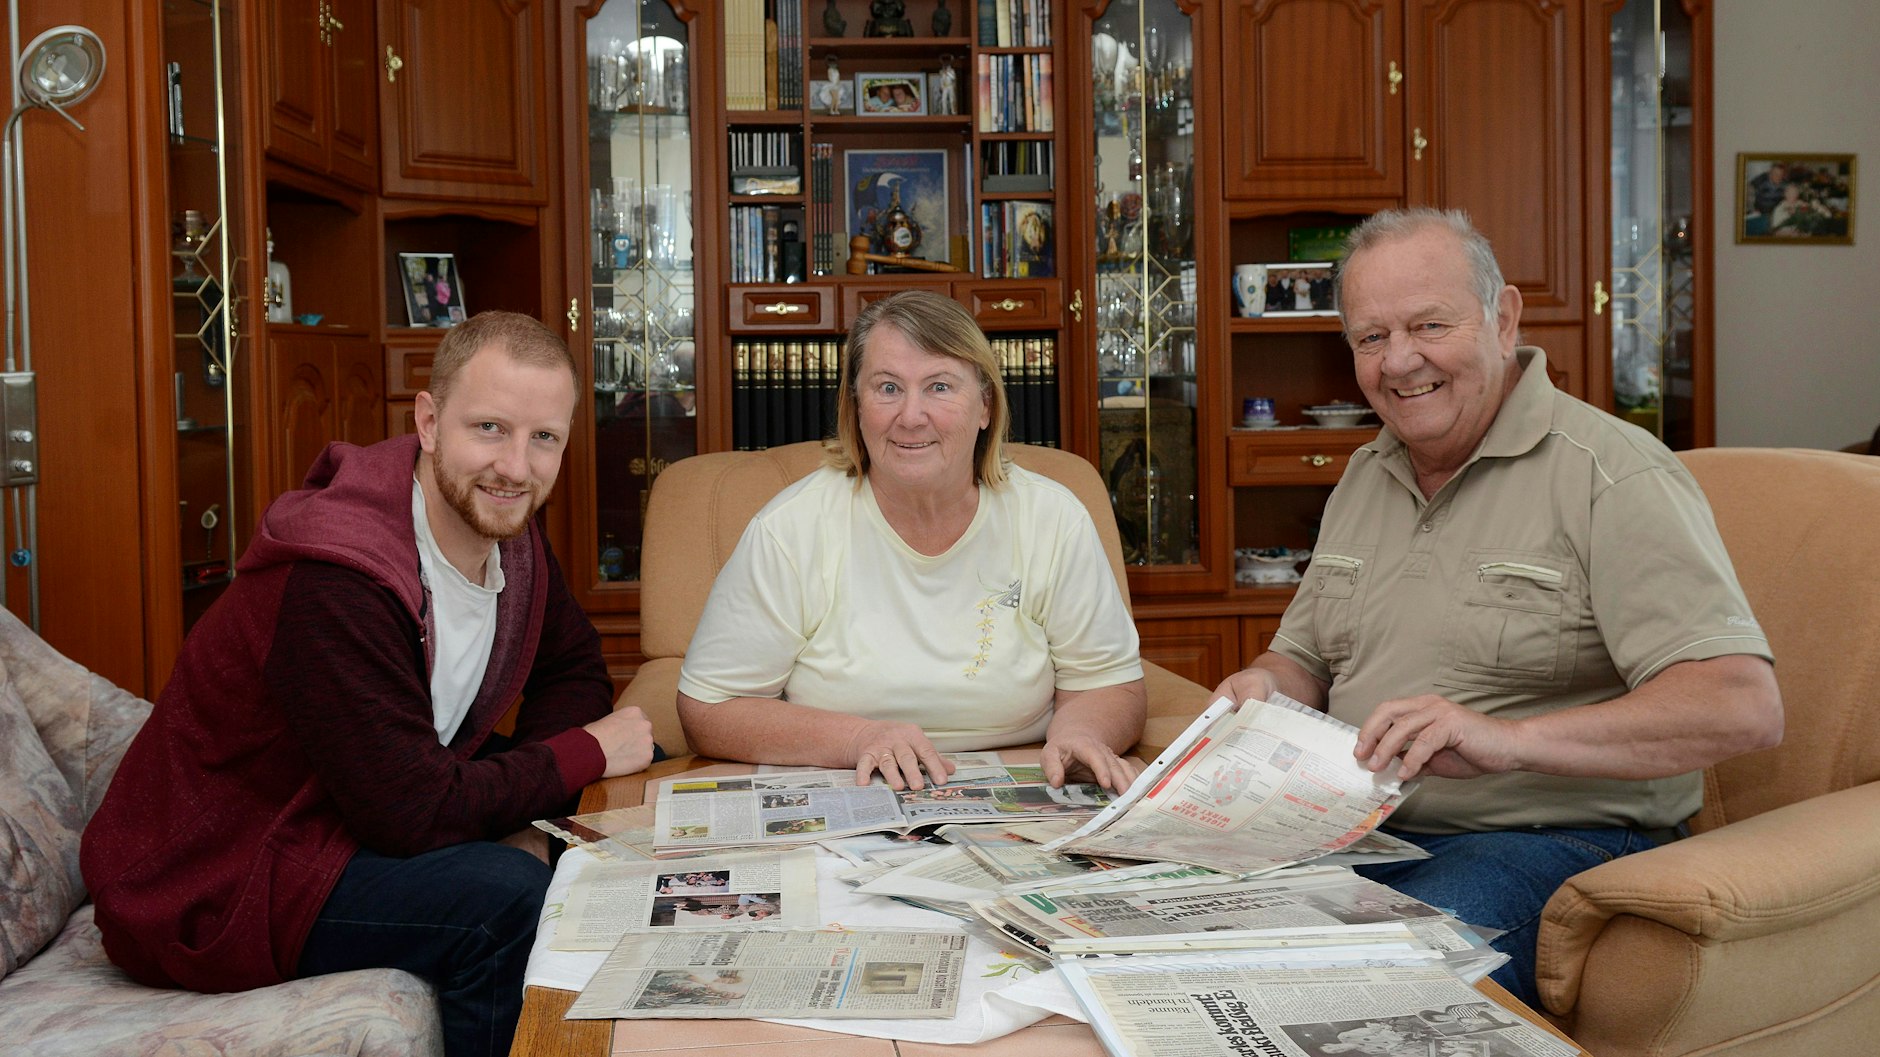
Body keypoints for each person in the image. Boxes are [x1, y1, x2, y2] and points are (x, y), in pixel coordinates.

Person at [1212, 208, 1782, 1007]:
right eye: (1371, 338)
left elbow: (1742, 705)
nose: (1400, 360)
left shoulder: (1612, 473)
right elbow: (1304, 656)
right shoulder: (1364, 476)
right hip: (1362, 832)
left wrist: (1507, 740)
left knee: (1370, 987)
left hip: (1551, 840)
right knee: (1190, 944)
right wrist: (1261, 688)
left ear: (1504, 317)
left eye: (1429, 325)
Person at [81, 311, 659, 1057]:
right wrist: (578, 755)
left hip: (349, 813)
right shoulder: (339, 574)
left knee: (594, 842)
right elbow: (414, 814)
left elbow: (573, 665)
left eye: (543, 437)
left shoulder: (503, 527)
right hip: (223, 874)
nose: (515, 466)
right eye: (489, 428)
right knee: (505, 899)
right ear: (427, 419)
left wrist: (529, 800)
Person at [678, 290, 1146, 794]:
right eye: (887, 388)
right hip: (843, 783)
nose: (911, 415)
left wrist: (1080, 733)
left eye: (940, 386)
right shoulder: (792, 526)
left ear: (986, 405)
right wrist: (858, 737)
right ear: (856, 405)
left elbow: (1109, 682)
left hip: (1026, 785)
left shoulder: (1053, 518)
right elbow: (708, 706)